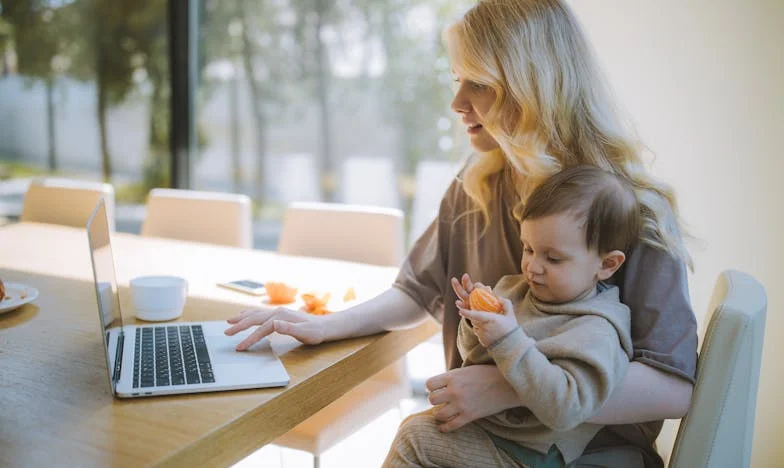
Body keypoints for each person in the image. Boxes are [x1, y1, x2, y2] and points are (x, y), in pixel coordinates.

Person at [224, 0, 698, 465]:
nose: (457, 103)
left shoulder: (632, 209)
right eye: (457, 81)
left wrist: (507, 388)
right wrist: (326, 325)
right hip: (483, 439)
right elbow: (418, 290)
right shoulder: (477, 183)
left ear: (533, 87)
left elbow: (673, 387)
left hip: (590, 453)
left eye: (480, 84)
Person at [382, 165, 640, 467]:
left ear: (607, 264)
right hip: (491, 431)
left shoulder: (597, 329)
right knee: (418, 426)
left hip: (532, 454)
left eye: (553, 258)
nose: (533, 266)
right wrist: (476, 323)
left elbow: (566, 409)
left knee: (415, 438)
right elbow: (477, 358)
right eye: (528, 248)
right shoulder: (516, 291)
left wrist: (507, 338)